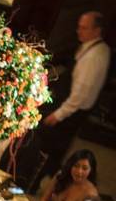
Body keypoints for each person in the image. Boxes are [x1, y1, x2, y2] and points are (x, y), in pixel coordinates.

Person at [39, 11, 111, 183]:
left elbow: (81, 93)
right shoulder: (96, 47)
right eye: (79, 27)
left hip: (72, 111)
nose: (78, 31)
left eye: (84, 28)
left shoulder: (95, 56)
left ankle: (35, 183)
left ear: (97, 30)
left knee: (49, 149)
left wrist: (58, 114)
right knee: (56, 150)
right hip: (73, 109)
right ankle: (48, 181)